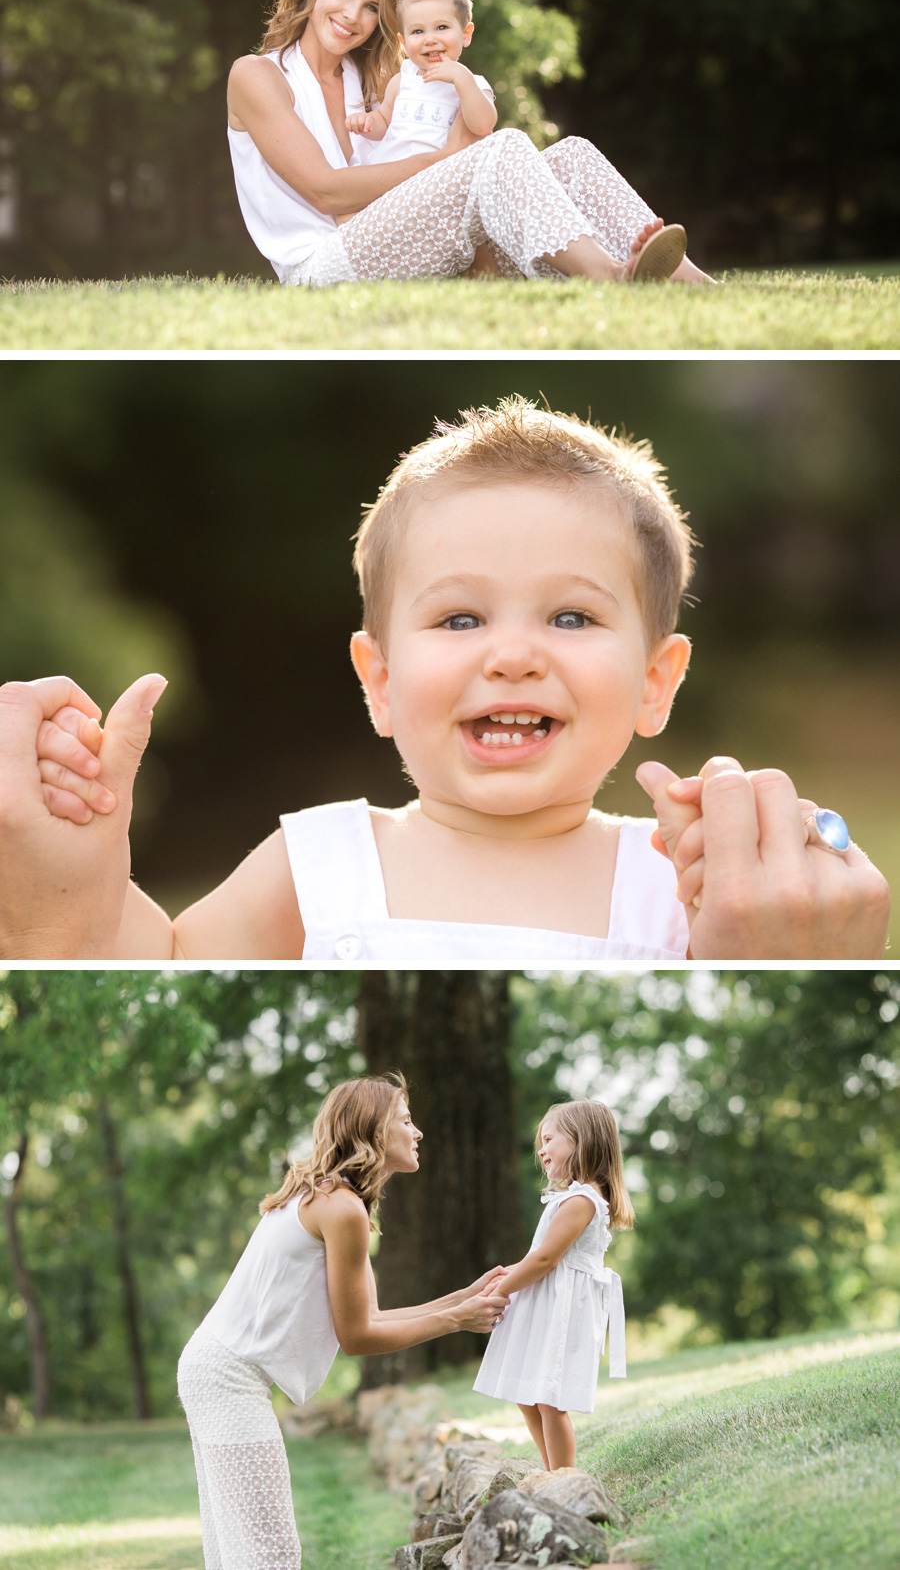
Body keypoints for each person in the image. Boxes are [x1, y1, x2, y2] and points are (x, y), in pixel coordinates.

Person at [2, 398, 890, 962]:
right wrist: (77, 879)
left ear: (657, 682)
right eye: (460, 619)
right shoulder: (317, 864)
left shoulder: (685, 890)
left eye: (571, 618)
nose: (512, 655)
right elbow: (161, 971)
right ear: (378, 681)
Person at [226, 0, 707, 288]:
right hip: (326, 266)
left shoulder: (374, 82)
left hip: (398, 233)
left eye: (372, 7)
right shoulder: (258, 76)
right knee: (501, 149)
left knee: (573, 155)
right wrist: (451, 163)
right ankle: (606, 276)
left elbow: (436, 146)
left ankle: (695, 285)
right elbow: (326, 193)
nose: (354, 15)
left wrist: (463, 138)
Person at [177, 1073, 508, 1570]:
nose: (417, 1132)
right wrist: (455, 1321)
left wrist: (459, 1300)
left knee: (240, 1553)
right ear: (374, 1132)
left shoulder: (329, 1197)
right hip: (227, 1377)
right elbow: (357, 1338)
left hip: (213, 1368)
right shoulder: (342, 1209)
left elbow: (369, 1317)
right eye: (406, 1120)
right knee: (268, 1553)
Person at [473, 1100, 629, 1468]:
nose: (541, 1149)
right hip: (546, 1303)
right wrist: (501, 1275)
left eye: (548, 1139)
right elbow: (540, 1256)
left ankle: (563, 1477)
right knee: (527, 1394)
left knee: (549, 1398)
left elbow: (545, 1260)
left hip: (564, 1309)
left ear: (580, 1139)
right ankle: (549, 1471)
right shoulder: (570, 1198)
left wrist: (500, 1290)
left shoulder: (582, 1200)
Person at [345, 0, 498, 160]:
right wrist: (367, 123)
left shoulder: (472, 83)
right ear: (403, 42)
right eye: (417, 31)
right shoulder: (402, 81)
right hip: (392, 173)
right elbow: (384, 122)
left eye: (441, 27)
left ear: (466, 34)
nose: (430, 39)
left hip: (437, 177)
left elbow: (483, 126)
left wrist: (462, 79)